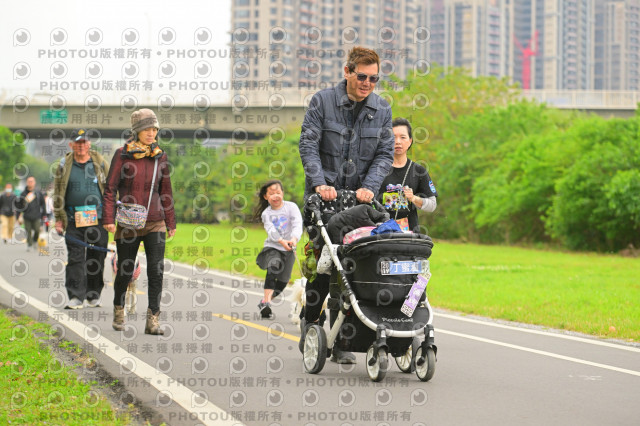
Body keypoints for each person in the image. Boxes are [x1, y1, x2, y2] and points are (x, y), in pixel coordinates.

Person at [298, 46, 394, 364]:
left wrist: (369, 188)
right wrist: (319, 183)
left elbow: (384, 153)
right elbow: (308, 144)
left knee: (350, 269)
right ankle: (311, 323)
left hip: (358, 203)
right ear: (347, 72)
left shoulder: (382, 109)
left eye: (374, 78)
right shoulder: (322, 101)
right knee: (323, 269)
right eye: (362, 76)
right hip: (323, 200)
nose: (368, 83)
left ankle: (340, 338)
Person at [103, 108, 176, 335]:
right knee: (125, 270)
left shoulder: (160, 156)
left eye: (154, 129)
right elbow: (110, 188)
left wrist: (171, 221)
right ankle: (119, 309)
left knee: (156, 271)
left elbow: (166, 190)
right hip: (129, 222)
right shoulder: (122, 154)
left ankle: (153, 321)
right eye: (147, 129)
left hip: (155, 221)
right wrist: (108, 218)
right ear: (136, 131)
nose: (151, 133)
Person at [53, 129, 110, 309]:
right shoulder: (64, 165)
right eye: (77, 143)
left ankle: (93, 295)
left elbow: (111, 190)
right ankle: (76, 296)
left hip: (98, 218)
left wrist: (111, 217)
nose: (81, 146)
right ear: (71, 145)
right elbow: (58, 192)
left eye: (84, 142)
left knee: (97, 256)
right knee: (75, 258)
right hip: (73, 218)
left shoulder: (100, 163)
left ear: (89, 144)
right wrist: (59, 218)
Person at [377, 117, 437, 232]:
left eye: (403, 137)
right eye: (393, 137)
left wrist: (413, 198)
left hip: (409, 235)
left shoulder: (419, 171)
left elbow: (432, 205)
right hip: (380, 233)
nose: (398, 141)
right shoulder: (377, 168)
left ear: (410, 141)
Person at [253, 179, 303, 319]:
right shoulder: (266, 214)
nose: (275, 196)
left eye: (278, 192)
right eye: (271, 193)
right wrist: (281, 241)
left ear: (283, 193)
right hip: (273, 247)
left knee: (282, 282)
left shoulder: (291, 207)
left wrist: (294, 239)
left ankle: (265, 301)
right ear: (265, 196)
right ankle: (267, 304)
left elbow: (297, 224)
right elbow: (271, 230)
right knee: (273, 266)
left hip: (290, 248)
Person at [15, 176, 46, 252]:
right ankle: (29, 244)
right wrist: (17, 216)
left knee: (37, 230)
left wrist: (44, 214)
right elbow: (19, 206)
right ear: (27, 182)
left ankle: (35, 240)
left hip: (36, 216)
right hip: (27, 216)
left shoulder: (38, 193)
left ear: (34, 182)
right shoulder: (23, 194)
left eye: (32, 181)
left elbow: (43, 204)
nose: (30, 183)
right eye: (29, 181)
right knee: (28, 231)